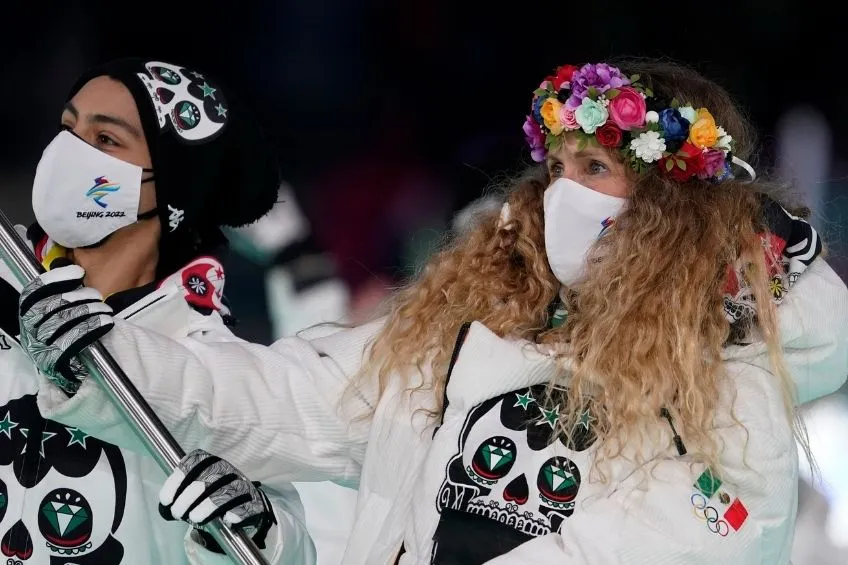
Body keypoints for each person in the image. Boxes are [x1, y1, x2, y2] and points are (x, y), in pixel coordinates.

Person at [21, 59, 848, 564]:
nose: (563, 192)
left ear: (674, 202)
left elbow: (655, 550)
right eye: (557, 166)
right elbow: (288, 399)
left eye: (595, 165)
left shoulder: (728, 391)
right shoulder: (472, 330)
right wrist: (112, 355)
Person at [0, 58, 315, 564]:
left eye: (106, 141)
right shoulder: (9, 276)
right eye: (68, 127)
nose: (68, 152)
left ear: (168, 188)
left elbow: (289, 549)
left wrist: (260, 527)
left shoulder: (208, 368)